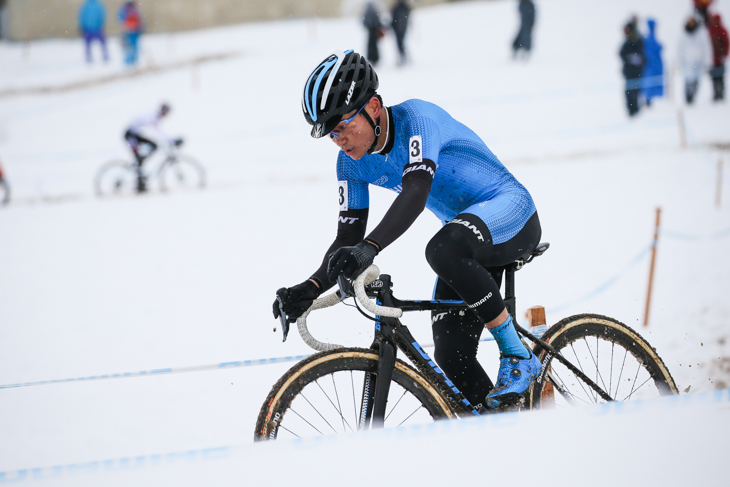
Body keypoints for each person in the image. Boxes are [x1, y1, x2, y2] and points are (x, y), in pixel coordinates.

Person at [274, 50, 543, 410]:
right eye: (329, 133)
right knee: (450, 358)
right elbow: (347, 240)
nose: (338, 139)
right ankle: (503, 428)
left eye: (341, 126)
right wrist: (308, 288)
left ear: (372, 107)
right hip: (465, 243)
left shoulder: (417, 120)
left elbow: (416, 191)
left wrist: (371, 247)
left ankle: (518, 355)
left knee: (441, 249)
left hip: (512, 214)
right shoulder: (351, 164)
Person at [123, 103, 180, 193]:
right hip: (131, 135)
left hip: (134, 134)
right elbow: (158, 131)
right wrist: (172, 140)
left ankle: (141, 181)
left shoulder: (154, 116)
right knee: (142, 157)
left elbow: (156, 132)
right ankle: (140, 183)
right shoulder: (153, 117)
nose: (166, 115)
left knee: (151, 149)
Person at [679, 16, 711, 104]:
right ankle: (688, 99)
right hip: (687, 63)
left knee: (696, 82)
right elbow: (679, 50)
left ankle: (693, 98)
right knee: (688, 82)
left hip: (698, 63)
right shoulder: (683, 34)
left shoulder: (701, 34)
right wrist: (679, 63)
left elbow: (706, 48)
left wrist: (707, 62)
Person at [619, 21, 646, 116]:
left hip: (636, 72)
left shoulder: (637, 40)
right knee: (629, 92)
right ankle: (632, 110)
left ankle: (635, 110)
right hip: (629, 72)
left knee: (635, 91)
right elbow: (621, 53)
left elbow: (643, 57)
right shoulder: (628, 41)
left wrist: (634, 58)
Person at [641, 19, 665, 106]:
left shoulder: (650, 36)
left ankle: (649, 98)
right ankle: (648, 99)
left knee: (651, 81)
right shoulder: (650, 37)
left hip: (652, 64)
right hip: (651, 64)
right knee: (650, 81)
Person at [707, 13, 729, 101]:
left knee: (719, 77)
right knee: (716, 78)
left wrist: (725, 54)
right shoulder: (711, 30)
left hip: (718, 58)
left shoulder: (718, 30)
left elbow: (727, 44)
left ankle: (720, 94)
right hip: (714, 58)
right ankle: (718, 94)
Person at [117, 0, 142, 66]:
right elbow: (140, 19)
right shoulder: (135, 8)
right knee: (133, 47)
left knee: (129, 48)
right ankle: (131, 62)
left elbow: (119, 18)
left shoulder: (124, 8)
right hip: (133, 31)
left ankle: (130, 63)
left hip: (129, 31)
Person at [363, 2, 384, 66]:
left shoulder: (367, 12)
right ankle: (375, 59)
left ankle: (372, 58)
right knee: (374, 46)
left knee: (371, 46)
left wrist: (369, 26)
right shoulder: (374, 12)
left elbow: (364, 22)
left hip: (371, 32)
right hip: (374, 32)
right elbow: (378, 21)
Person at [390, 0, 411, 66]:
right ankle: (403, 57)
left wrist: (393, 25)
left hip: (398, 29)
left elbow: (395, 18)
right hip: (402, 28)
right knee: (401, 43)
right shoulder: (405, 7)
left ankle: (402, 57)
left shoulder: (398, 8)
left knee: (400, 43)